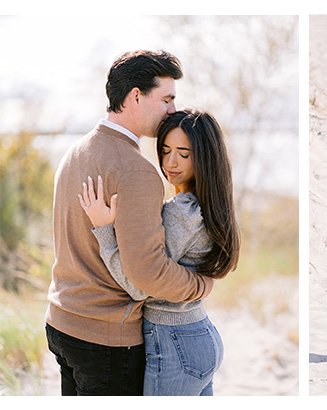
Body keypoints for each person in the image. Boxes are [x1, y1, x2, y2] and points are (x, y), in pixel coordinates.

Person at [45, 50, 214, 396]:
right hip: (106, 338)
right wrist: (201, 286)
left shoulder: (75, 151)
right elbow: (147, 274)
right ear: (136, 95)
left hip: (62, 324)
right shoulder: (136, 170)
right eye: (166, 99)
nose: (171, 109)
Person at [80, 109, 240, 395]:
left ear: (204, 157)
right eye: (165, 150)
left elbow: (139, 285)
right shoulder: (205, 204)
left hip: (174, 341)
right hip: (199, 334)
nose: (170, 162)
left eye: (184, 153)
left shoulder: (181, 213)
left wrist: (104, 230)